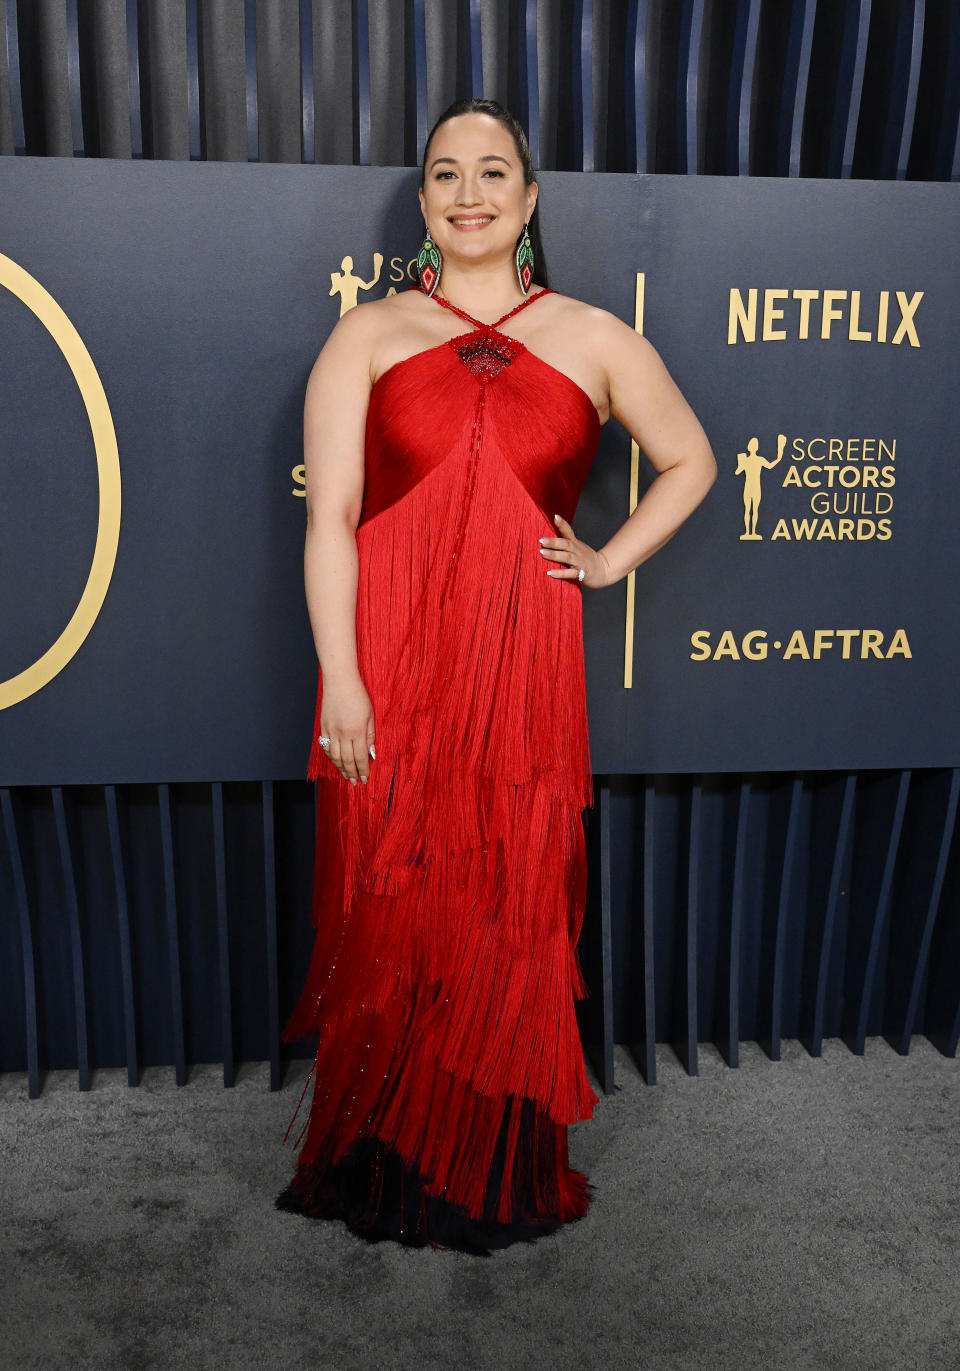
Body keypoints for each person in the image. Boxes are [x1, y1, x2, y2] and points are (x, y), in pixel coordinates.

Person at [275, 98, 716, 1255]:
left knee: (508, 903)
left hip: (521, 674)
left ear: (527, 199)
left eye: (493, 172)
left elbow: (690, 459)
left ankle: (491, 1166)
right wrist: (344, 682)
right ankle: (385, 1156)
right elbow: (331, 528)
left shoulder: (594, 336)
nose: (469, 192)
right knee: (398, 898)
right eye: (445, 175)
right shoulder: (366, 335)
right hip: (393, 665)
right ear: (423, 203)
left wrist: (609, 558)